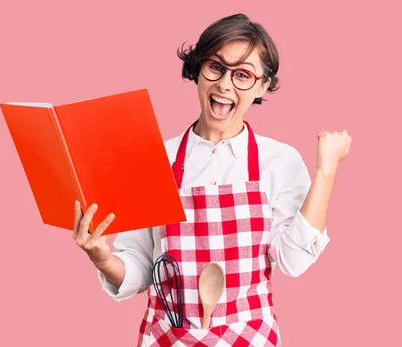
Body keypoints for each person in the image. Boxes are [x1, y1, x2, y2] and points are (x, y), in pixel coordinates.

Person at [72, 13, 352, 346]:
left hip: (250, 339)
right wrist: (101, 258)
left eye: (243, 75)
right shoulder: (153, 159)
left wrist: (327, 170)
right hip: (167, 338)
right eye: (216, 67)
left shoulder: (280, 162)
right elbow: (141, 268)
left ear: (262, 85)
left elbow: (292, 261)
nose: (225, 84)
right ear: (198, 70)